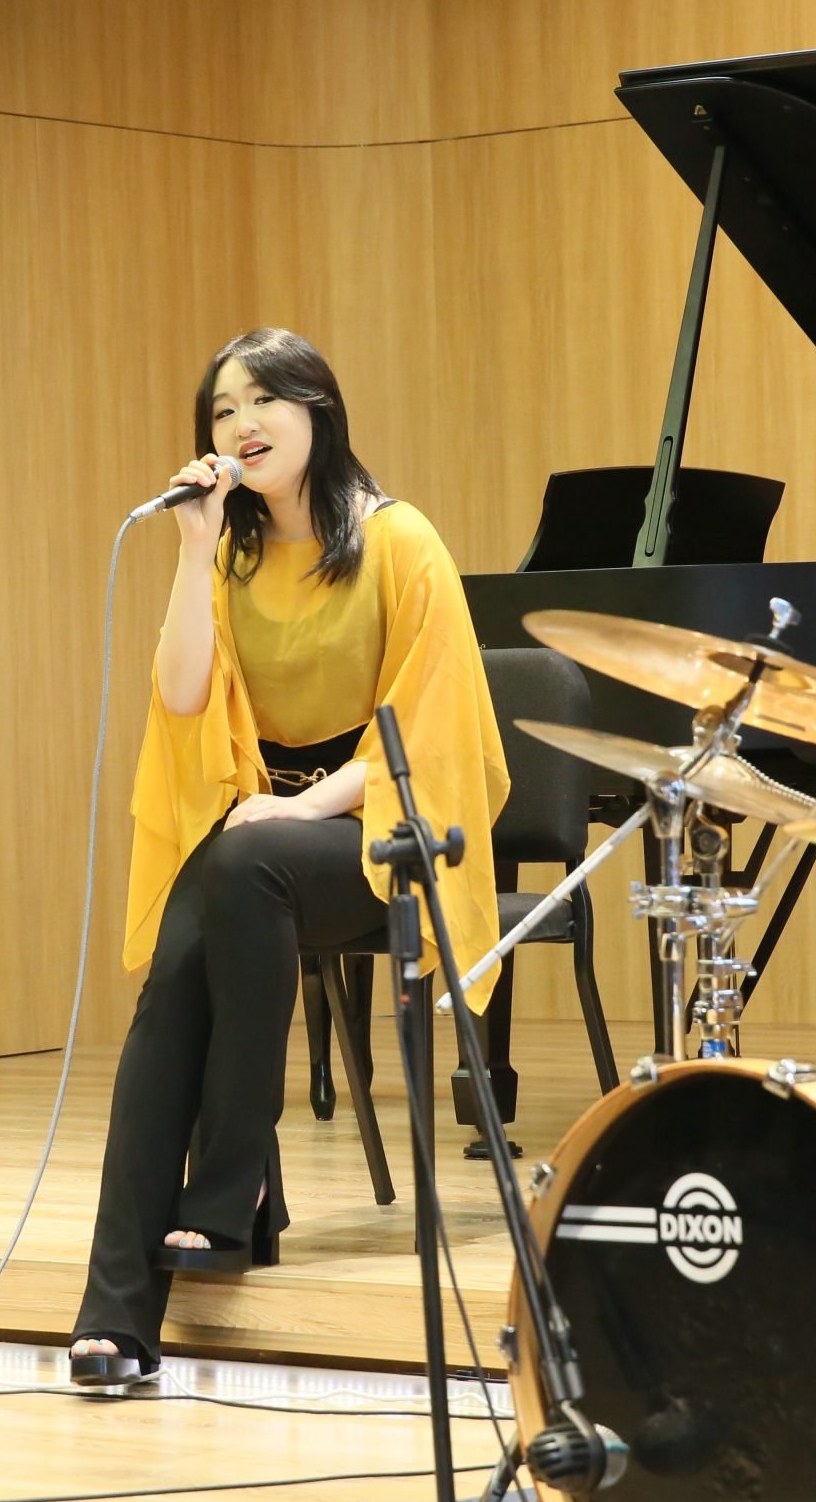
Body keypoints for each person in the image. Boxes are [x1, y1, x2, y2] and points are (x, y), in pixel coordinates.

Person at [69, 328, 510, 1386]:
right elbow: (183, 696)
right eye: (223, 410)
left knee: (240, 867)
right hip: (261, 842)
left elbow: (432, 728)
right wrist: (191, 548)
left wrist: (303, 805)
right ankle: (117, 1311)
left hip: (384, 829)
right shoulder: (229, 554)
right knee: (175, 974)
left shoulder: (400, 540)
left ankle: (231, 1189)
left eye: (265, 399)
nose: (243, 423)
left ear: (319, 410)